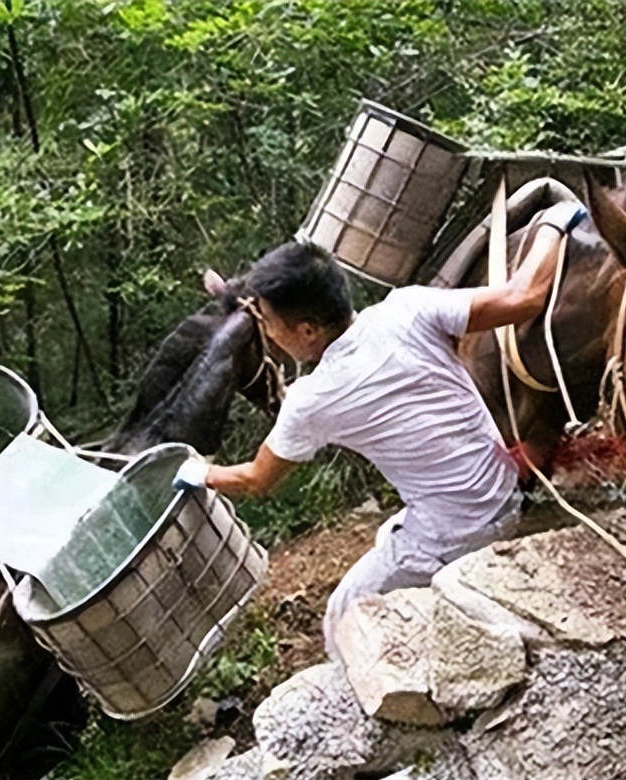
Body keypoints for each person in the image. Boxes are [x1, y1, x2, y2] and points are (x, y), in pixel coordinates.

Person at [172, 202, 586, 661]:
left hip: (456, 531)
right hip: (503, 494)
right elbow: (524, 297)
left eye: (269, 323)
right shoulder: (408, 307)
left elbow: (256, 479)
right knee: (388, 536)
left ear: (307, 330)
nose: (268, 335)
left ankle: (374, 714)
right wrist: (555, 219)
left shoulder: (314, 398)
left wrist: (197, 472)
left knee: (344, 613)